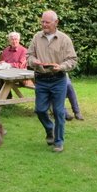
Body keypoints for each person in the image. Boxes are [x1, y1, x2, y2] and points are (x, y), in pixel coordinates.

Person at [27, 10, 77, 153]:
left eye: (47, 22)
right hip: (41, 79)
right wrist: (33, 61)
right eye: (42, 22)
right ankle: (50, 129)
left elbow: (72, 60)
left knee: (59, 111)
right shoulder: (36, 37)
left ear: (56, 22)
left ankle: (59, 142)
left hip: (58, 79)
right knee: (40, 110)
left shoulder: (64, 39)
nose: (44, 24)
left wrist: (61, 67)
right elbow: (29, 56)